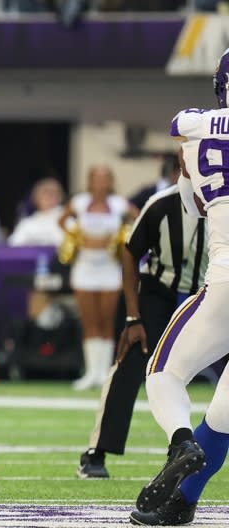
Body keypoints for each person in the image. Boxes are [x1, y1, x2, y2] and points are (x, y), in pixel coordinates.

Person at [128, 47, 229, 526]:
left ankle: (179, 442)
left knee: (163, 375)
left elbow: (183, 124)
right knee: (225, 418)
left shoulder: (193, 134)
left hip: (225, 285)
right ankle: (181, 503)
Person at [77, 183, 207, 480]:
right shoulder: (162, 204)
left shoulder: (222, 202)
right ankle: (96, 452)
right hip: (159, 293)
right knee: (131, 359)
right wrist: (133, 316)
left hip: (206, 295)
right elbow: (130, 252)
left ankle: (183, 445)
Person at [57, 164, 137, 391]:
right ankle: (91, 372)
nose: (101, 183)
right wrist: (77, 236)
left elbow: (139, 217)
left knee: (107, 320)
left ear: (111, 181)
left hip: (110, 269)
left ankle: (104, 373)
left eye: (105, 178)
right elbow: (61, 220)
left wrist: (122, 237)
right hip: (85, 268)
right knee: (89, 320)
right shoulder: (80, 202)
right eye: (97, 178)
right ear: (90, 181)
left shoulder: (119, 204)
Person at [8, 177, 66, 247]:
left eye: (53, 194)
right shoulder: (27, 222)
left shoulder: (66, 218)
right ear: (36, 198)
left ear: (60, 197)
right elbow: (13, 243)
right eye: (45, 193)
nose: (49, 198)